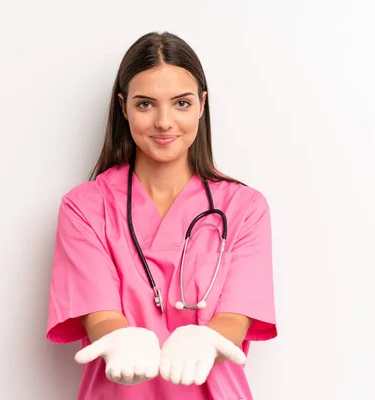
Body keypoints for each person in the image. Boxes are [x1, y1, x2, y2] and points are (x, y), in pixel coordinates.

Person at [46, 31, 277, 400]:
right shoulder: (85, 207)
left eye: (181, 103)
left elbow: (237, 317)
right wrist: (120, 336)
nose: (164, 122)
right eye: (145, 104)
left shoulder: (244, 209)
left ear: (202, 104)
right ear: (123, 107)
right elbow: (98, 314)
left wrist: (209, 338)